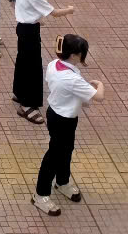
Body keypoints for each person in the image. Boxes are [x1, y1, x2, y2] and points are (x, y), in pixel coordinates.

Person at [32, 33, 103, 216]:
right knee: (53, 156)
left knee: (66, 149)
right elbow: (99, 96)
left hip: (57, 114)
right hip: (63, 120)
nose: (83, 56)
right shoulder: (72, 79)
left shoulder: (54, 64)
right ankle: (40, 194)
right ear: (73, 55)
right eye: (82, 53)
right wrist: (100, 84)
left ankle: (62, 181)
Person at [8, 0, 75, 125]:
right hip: (29, 32)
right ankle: (27, 105)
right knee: (32, 67)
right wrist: (70, 10)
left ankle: (19, 92)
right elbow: (55, 13)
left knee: (23, 62)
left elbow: (18, 5)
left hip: (23, 28)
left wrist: (34, 17)